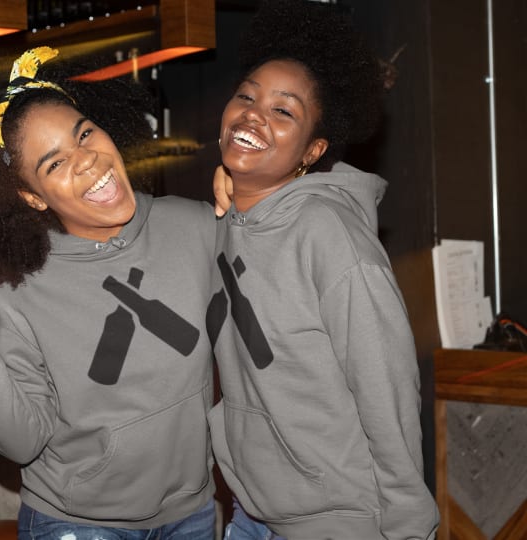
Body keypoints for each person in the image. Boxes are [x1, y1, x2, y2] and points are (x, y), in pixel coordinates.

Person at [0, 46, 218, 540]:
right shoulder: (19, 286)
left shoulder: (195, 225)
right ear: (31, 196)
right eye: (54, 164)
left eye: (85, 133)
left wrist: (257, 198)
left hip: (191, 514)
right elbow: (22, 440)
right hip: (76, 522)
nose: (88, 160)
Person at [206, 1, 440, 539]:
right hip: (252, 513)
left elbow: (386, 386)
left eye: (283, 111)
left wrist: (409, 523)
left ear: (312, 150)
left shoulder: (329, 234)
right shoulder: (220, 222)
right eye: (246, 95)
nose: (253, 113)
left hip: (340, 519)